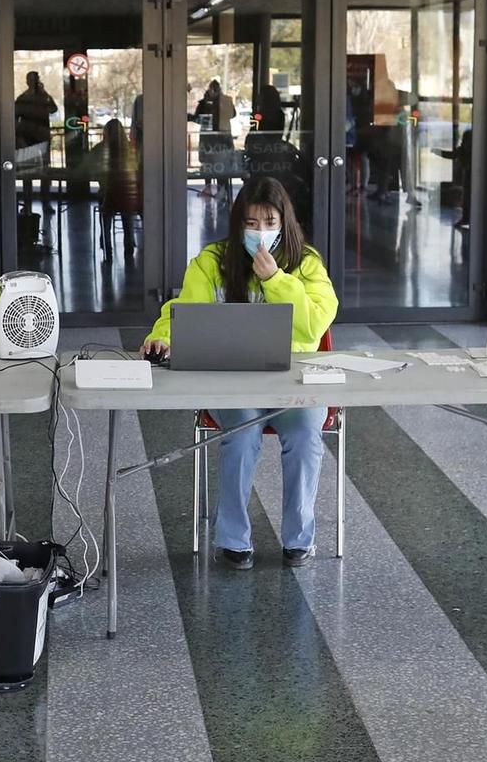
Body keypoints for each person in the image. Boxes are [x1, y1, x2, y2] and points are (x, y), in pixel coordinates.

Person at [140, 176, 338, 569]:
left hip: (292, 382)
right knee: (242, 431)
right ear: (237, 224)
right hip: (230, 377)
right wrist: (161, 338)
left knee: (302, 433)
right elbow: (183, 311)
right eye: (251, 223)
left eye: (269, 222)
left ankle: (299, 539)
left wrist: (275, 281)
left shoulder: (307, 263)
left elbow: (315, 325)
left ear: (285, 223)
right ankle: (233, 539)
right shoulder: (212, 261)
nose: (260, 232)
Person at [14, 71, 56, 218]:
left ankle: (45, 202)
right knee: (28, 174)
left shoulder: (42, 97)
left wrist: (45, 93)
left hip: (41, 139)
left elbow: (53, 109)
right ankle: (28, 204)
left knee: (44, 173)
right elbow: (14, 119)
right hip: (28, 140)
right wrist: (19, 138)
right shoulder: (22, 99)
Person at [99, 117, 140, 265]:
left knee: (105, 215)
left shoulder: (102, 149)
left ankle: (106, 246)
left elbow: (93, 170)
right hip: (129, 197)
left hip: (110, 196)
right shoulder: (131, 150)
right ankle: (129, 247)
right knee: (127, 216)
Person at [195, 79, 237, 198]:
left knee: (214, 164)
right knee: (215, 164)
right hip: (221, 136)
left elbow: (198, 117)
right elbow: (233, 114)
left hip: (215, 137)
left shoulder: (208, 103)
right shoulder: (226, 101)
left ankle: (216, 188)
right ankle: (219, 189)